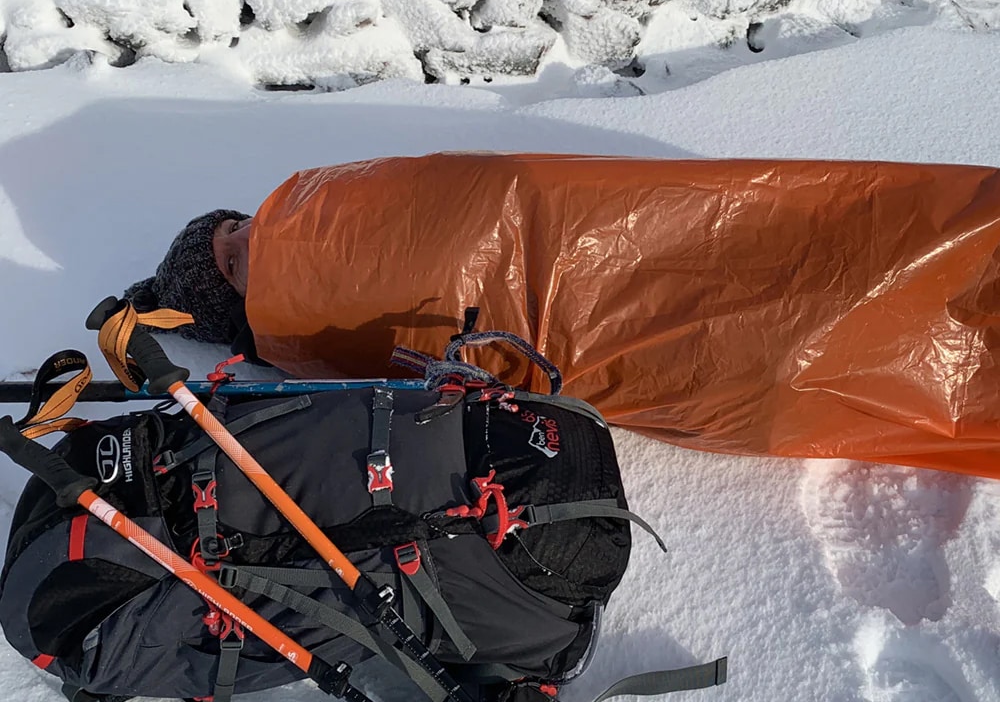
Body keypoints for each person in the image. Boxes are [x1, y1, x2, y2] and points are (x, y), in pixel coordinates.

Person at [125, 152, 1000, 480]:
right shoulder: (300, 306)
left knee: (796, 251)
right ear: (232, 299)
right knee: (789, 300)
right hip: (604, 309)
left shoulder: (321, 218)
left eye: (236, 228)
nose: (247, 237)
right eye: (232, 256)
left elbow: (494, 196)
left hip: (600, 235)